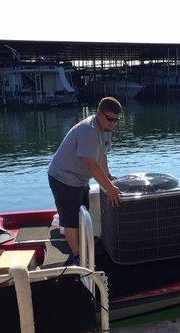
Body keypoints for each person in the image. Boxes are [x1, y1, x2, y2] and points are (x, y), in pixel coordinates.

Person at [48, 97, 122, 266]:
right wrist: (110, 188)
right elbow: (91, 164)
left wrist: (108, 176)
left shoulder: (105, 129)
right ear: (99, 113)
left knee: (83, 211)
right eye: (109, 118)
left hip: (80, 179)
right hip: (63, 178)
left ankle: (82, 241)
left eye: (116, 120)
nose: (112, 123)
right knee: (71, 218)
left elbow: (102, 155)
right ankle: (76, 255)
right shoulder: (88, 130)